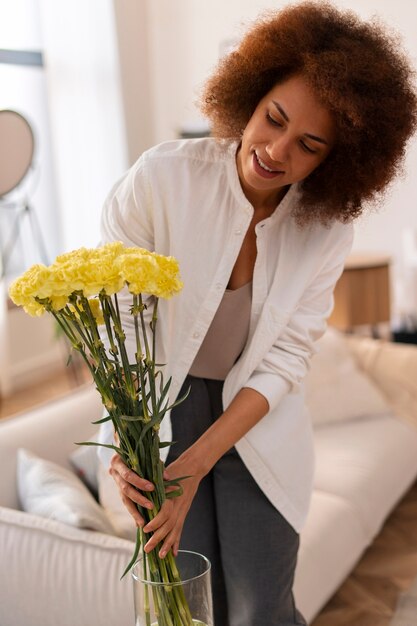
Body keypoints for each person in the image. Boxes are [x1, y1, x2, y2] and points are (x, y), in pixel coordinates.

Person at [98, 2, 417, 624]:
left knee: (262, 608)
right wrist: (122, 437)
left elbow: (287, 356)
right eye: (273, 119)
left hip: (256, 427)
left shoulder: (325, 230)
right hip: (162, 416)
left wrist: (199, 463)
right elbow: (120, 330)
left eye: (309, 145)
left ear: (335, 161)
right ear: (250, 91)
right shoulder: (161, 180)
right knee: (184, 603)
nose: (275, 150)